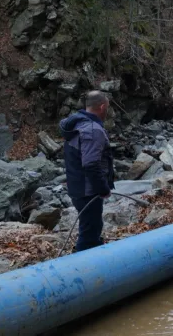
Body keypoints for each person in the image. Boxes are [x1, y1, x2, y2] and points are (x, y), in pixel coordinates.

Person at [59, 90, 115, 252]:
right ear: (103, 106)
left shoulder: (77, 124)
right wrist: (103, 188)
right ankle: (82, 269)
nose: (108, 111)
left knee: (92, 226)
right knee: (89, 230)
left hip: (77, 186)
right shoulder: (92, 130)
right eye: (108, 107)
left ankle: (94, 252)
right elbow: (91, 164)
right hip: (87, 190)